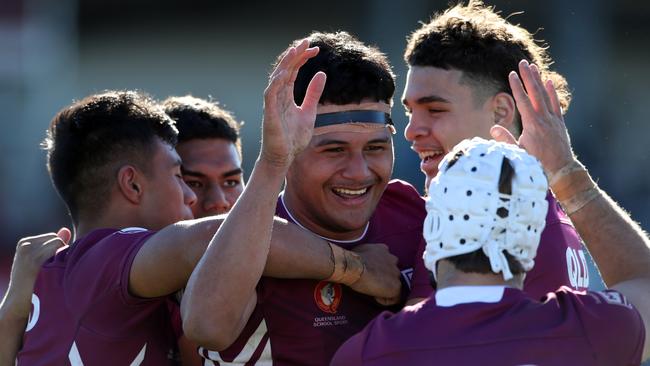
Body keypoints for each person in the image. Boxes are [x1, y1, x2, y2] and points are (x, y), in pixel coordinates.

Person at [14, 48, 401, 366]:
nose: (203, 201)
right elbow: (212, 235)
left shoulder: (54, 273)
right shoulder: (111, 255)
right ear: (132, 184)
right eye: (183, 178)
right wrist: (360, 269)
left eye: (234, 181)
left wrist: (12, 307)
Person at [331, 60, 650, 365]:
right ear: (534, 230)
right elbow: (643, 281)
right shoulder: (590, 329)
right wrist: (567, 176)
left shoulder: (371, 350)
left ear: (433, 227)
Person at [185, 31, 430, 365]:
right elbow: (206, 327)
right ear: (291, 151)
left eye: (375, 148)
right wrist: (272, 162)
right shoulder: (242, 238)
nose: (359, 172)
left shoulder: (412, 210)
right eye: (334, 150)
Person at [401, 0, 589, 299]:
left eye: (435, 109)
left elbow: (424, 341)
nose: (412, 131)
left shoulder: (477, 215)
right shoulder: (546, 206)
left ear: (501, 111)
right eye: (410, 112)